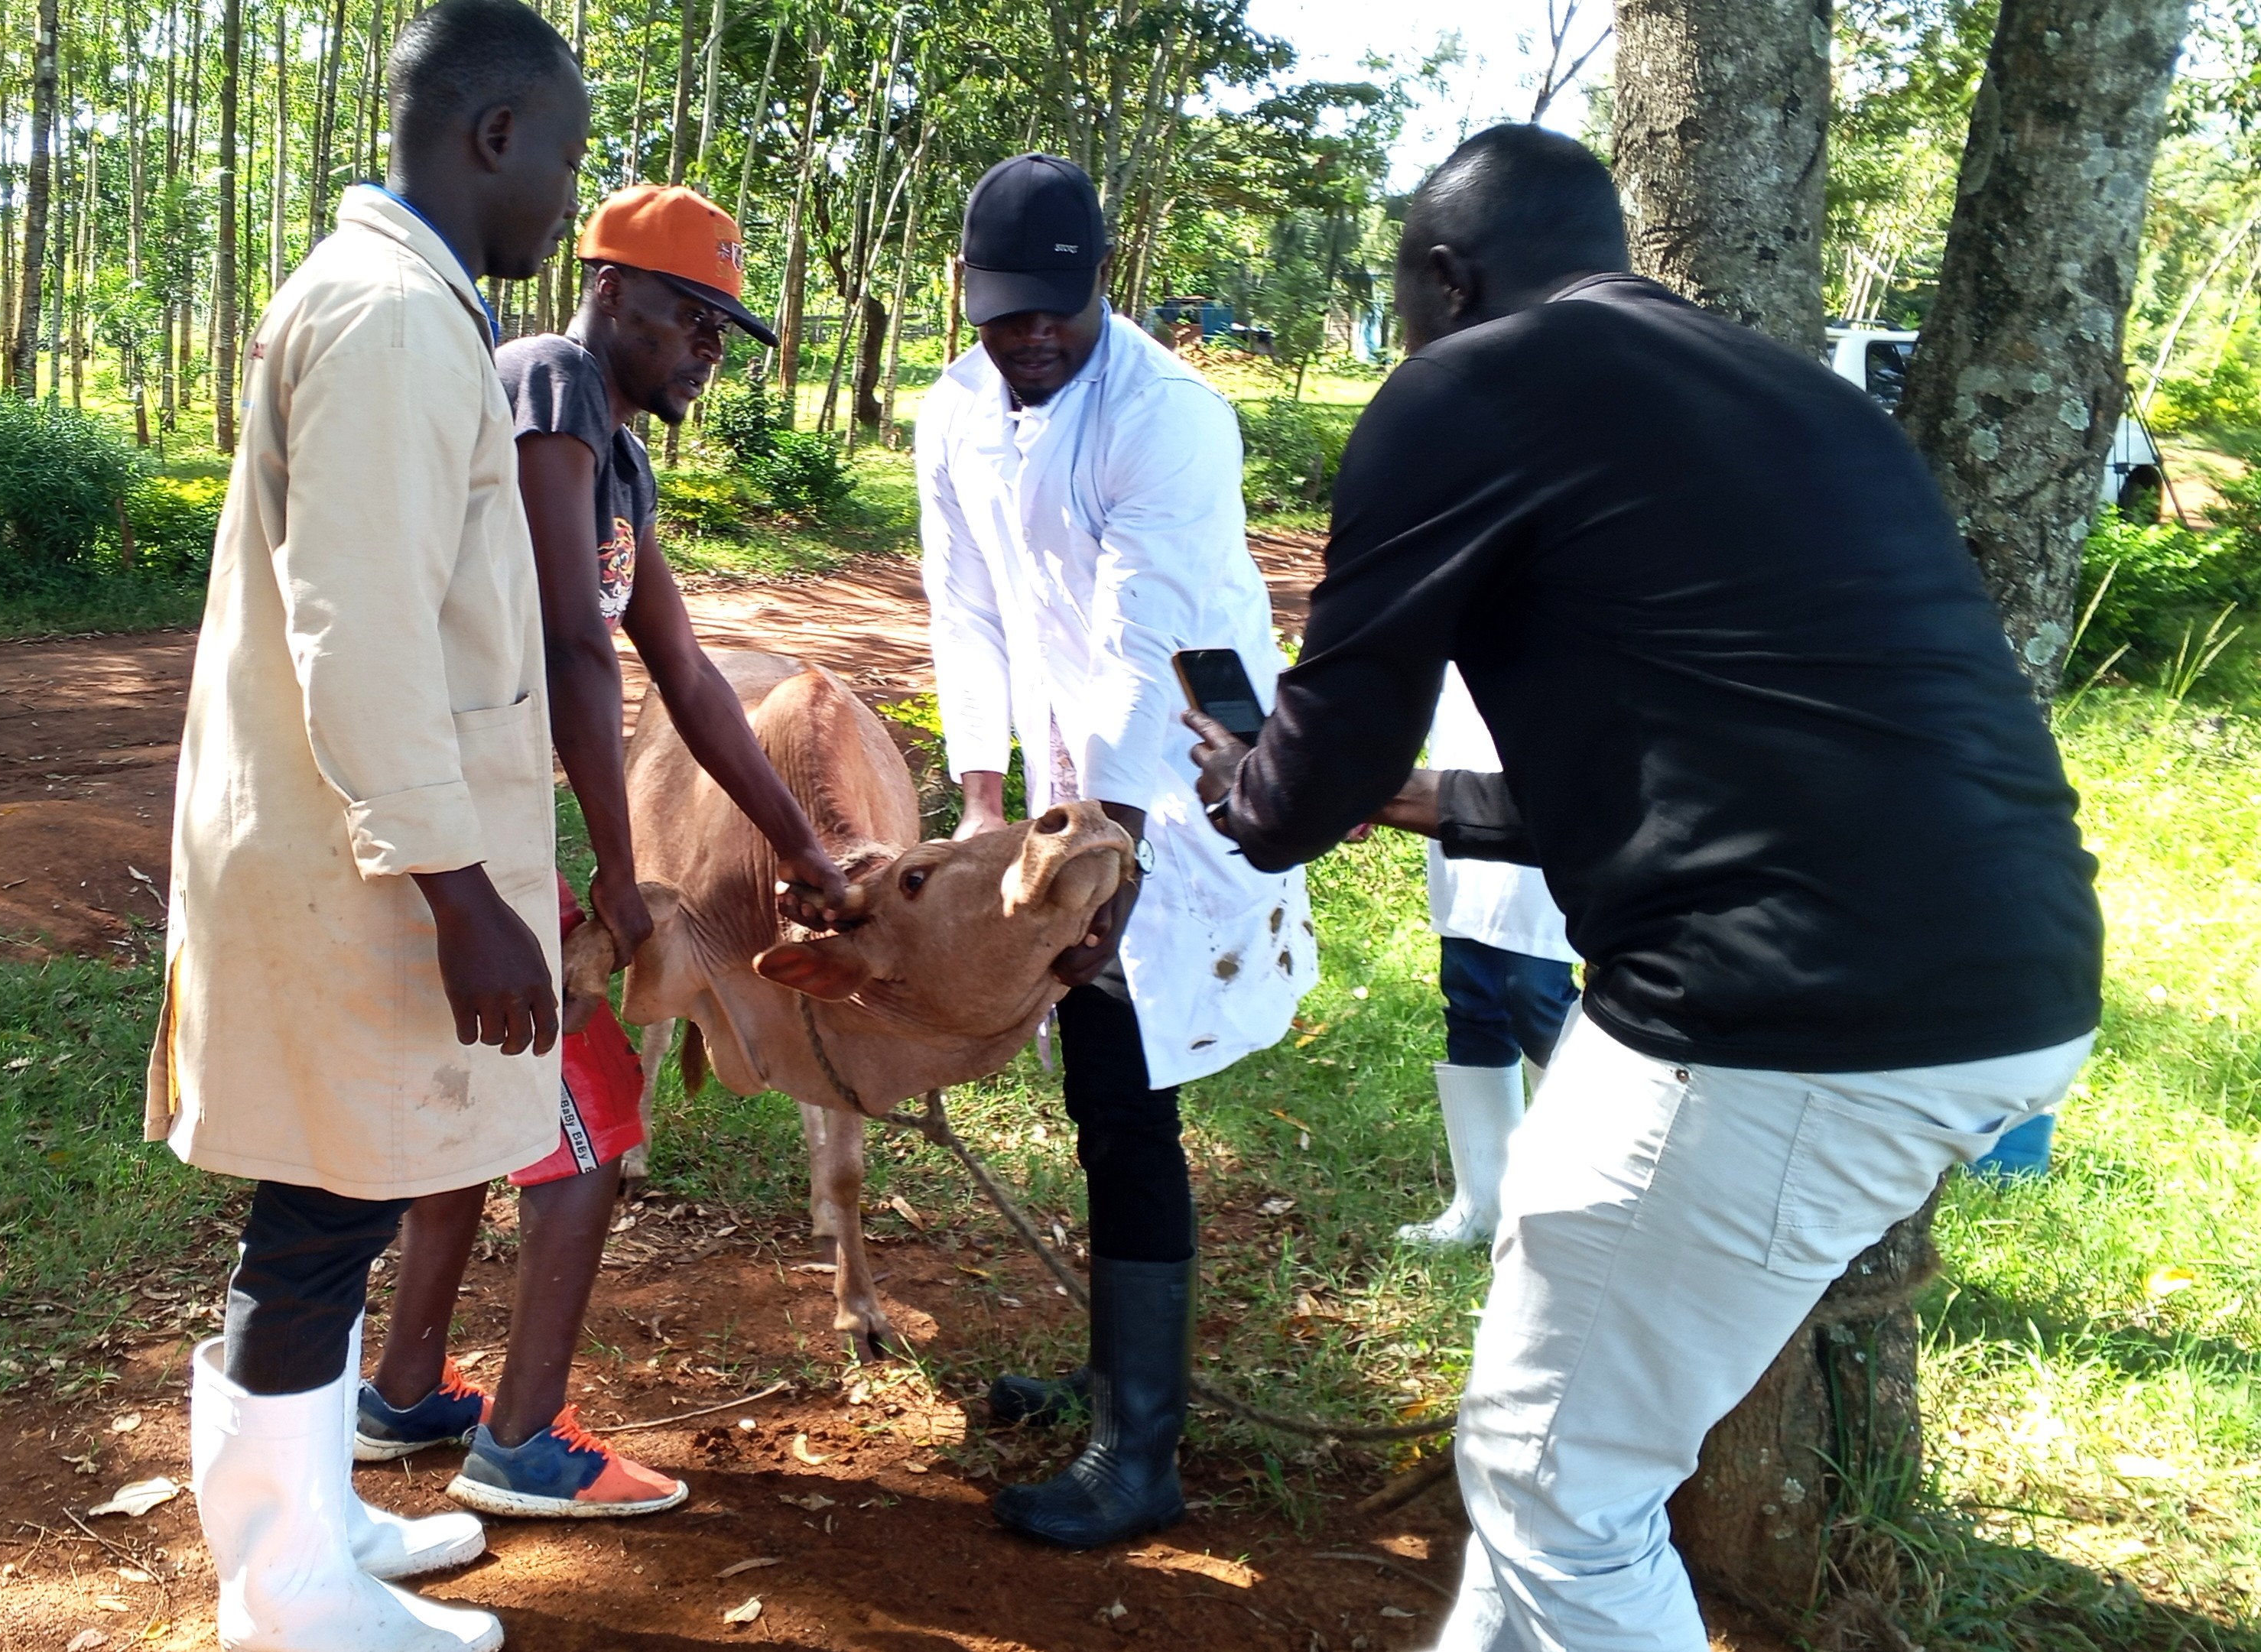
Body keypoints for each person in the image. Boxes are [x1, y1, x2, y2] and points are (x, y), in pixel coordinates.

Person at [1188, 124, 2103, 1651]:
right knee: (1549, 1435)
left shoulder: (1462, 385)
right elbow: (1721, 767)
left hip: (1778, 1016)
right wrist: (1419, 804)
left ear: (1443, 274)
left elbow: (1304, 778)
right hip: (2008, 979)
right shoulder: (1795, 398)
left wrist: (1249, 784)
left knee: (1559, 1484)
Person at [145, 4, 588, 1647]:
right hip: (372, 868)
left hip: (355, 851)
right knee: (325, 1215)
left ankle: (318, 1518)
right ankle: (284, 1592)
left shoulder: (398, 307)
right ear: (492, 139)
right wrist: (464, 892)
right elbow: (366, 633)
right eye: (562, 153)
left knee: (341, 1196)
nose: (563, 192)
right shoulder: (397, 322)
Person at [353, 184, 849, 1519]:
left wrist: (802, 844)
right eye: (693, 316)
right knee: (587, 1127)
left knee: (485, 1112)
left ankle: (401, 1391)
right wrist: (620, 878)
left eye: (726, 331)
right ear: (613, 289)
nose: (709, 348)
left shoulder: (615, 457)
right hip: (467, 841)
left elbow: (679, 670)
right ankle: (520, 1446)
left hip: (487, 837)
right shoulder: (548, 382)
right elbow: (576, 641)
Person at [917, 153, 1316, 1549]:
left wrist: (1115, 858)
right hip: (1064, 776)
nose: (1032, 338)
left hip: (1177, 785)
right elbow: (964, 607)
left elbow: (1151, 648)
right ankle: (1109, 1380)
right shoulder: (956, 410)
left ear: (1104, 288)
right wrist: (981, 808)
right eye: (1006, 310)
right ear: (967, 292)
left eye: (1059, 313)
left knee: (1127, 1088)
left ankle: (1138, 1451)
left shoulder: (1170, 418)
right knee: (1096, 1087)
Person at [1399, 667, 1577, 1249]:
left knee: (1536, 992)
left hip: (1547, 793)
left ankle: (1574, 1197)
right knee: (1471, 994)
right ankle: (1482, 1202)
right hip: (1455, 790)